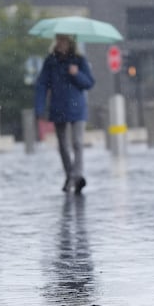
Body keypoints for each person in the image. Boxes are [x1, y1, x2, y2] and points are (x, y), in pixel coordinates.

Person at [35, 34, 95, 194]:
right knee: (62, 145)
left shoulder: (79, 60)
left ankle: (77, 175)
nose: (61, 43)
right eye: (59, 40)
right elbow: (41, 84)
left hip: (77, 107)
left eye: (64, 41)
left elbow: (89, 83)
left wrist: (76, 74)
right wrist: (39, 108)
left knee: (77, 142)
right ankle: (70, 175)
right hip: (58, 107)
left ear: (70, 43)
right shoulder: (51, 61)